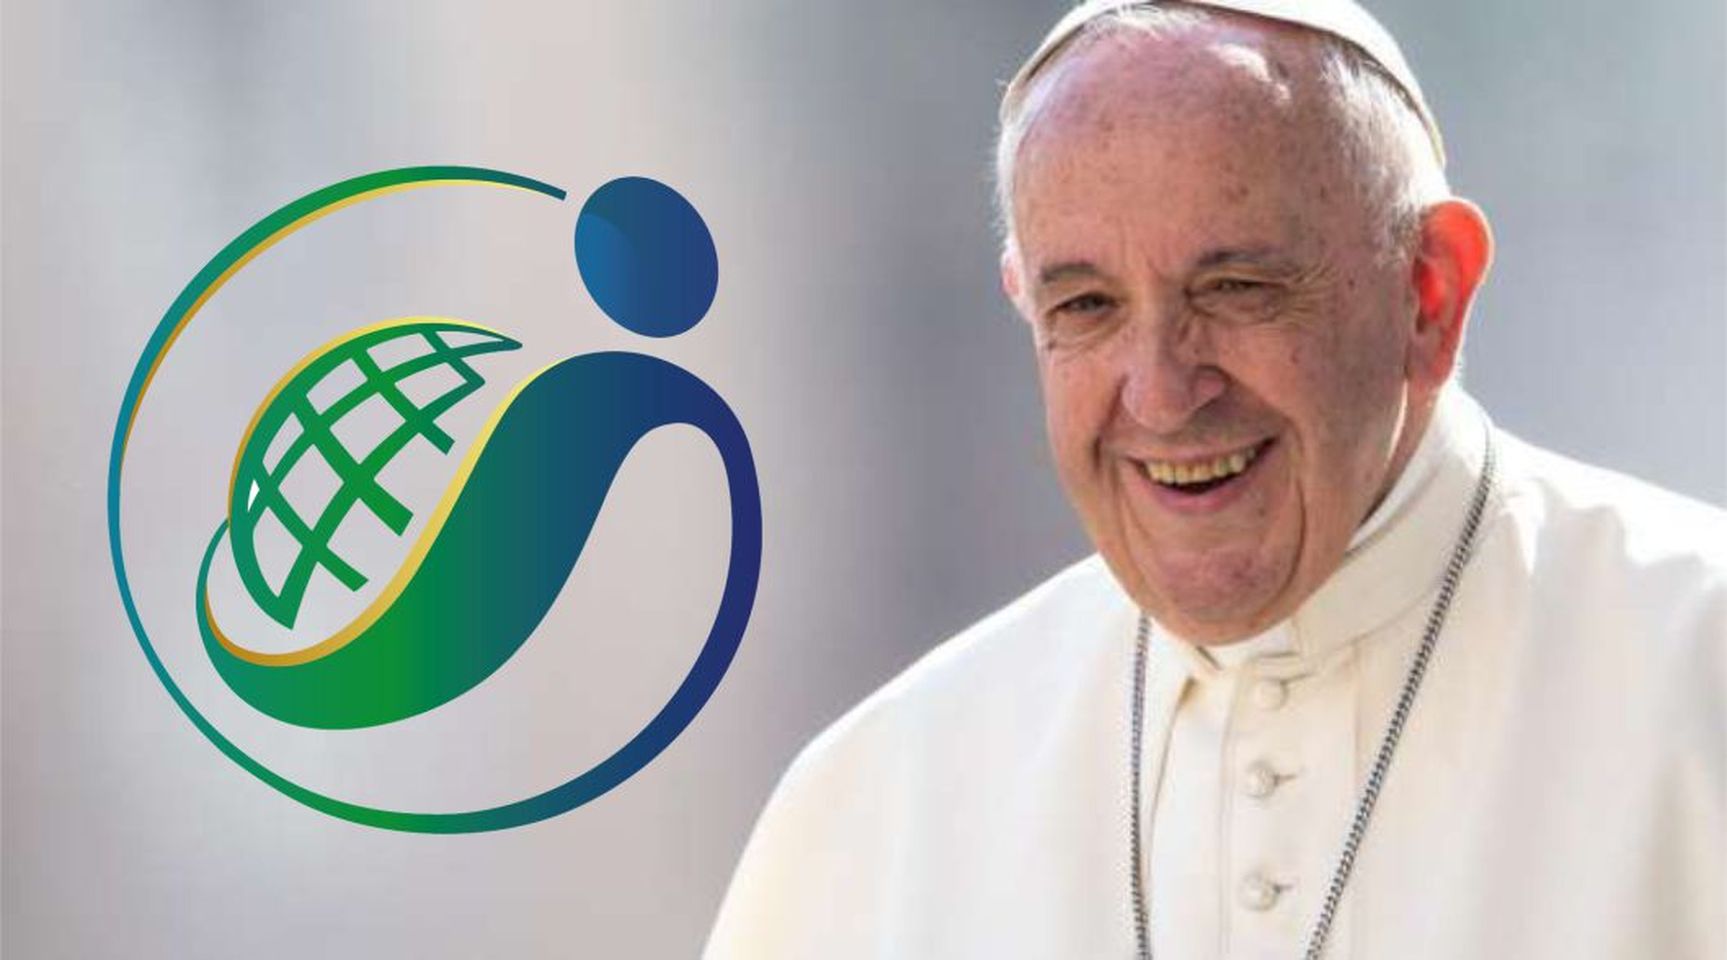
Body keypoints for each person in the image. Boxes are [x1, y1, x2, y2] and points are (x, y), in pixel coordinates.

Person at [704, 1, 1727, 957]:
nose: (1160, 395)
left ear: (1428, 293)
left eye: (1236, 288)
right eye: (1086, 307)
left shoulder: (1697, 670)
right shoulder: (878, 802)